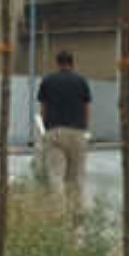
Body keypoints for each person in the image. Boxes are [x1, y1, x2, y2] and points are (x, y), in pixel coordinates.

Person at [37, 50, 92, 214]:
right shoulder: (81, 82)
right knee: (76, 177)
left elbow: (43, 109)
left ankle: (58, 214)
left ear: (57, 63)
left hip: (55, 132)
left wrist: (46, 130)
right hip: (77, 132)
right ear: (72, 64)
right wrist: (85, 129)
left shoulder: (47, 81)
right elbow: (87, 108)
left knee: (56, 176)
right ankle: (76, 212)